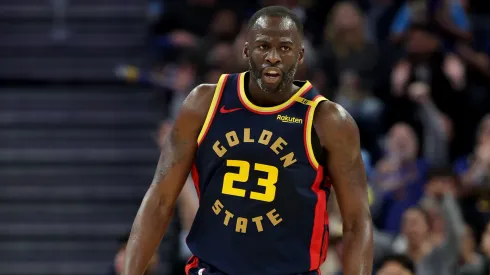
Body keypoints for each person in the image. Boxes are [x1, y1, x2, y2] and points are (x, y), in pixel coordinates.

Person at [123, 6, 373, 275]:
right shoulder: (204, 104)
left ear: (300, 56)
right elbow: (160, 199)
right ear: (245, 50)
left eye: (285, 48)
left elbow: (357, 223)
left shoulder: (328, 121)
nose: (273, 57)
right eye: (263, 46)